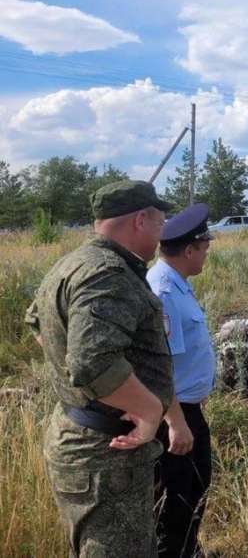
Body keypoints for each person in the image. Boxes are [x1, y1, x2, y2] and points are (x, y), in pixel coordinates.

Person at [25, 180, 175, 558]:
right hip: (105, 454)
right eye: (159, 225)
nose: (160, 235)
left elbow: (37, 323)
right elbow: (93, 361)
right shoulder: (108, 274)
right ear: (141, 220)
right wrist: (149, 410)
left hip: (86, 437)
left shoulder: (72, 262)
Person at [146, 203, 216, 558]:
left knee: (195, 490)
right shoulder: (163, 292)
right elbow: (158, 368)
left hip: (186, 409)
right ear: (189, 251)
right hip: (172, 418)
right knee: (174, 504)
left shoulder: (178, 285)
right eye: (204, 250)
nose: (206, 257)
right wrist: (175, 420)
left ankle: (190, 551)